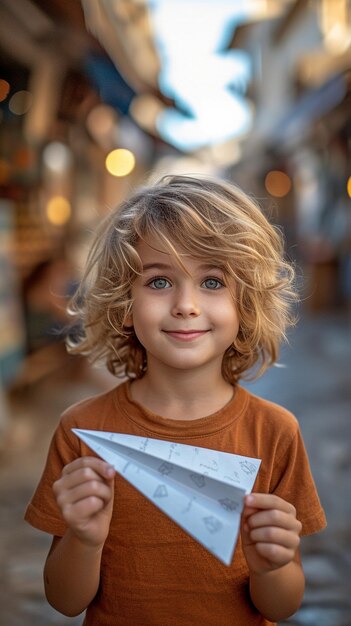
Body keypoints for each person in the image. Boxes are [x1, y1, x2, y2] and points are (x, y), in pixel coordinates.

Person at [25, 175, 326, 626]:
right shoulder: (82, 430)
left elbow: (281, 606)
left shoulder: (275, 432)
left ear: (246, 303)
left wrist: (273, 565)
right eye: (160, 281)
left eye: (212, 282)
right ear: (124, 301)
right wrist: (84, 539)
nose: (186, 305)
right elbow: (66, 601)